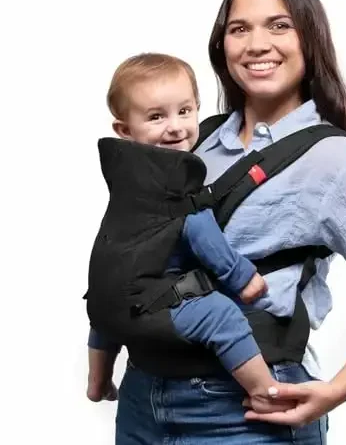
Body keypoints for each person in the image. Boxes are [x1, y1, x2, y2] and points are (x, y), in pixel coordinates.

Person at [108, 0, 346, 444]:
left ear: (309, 37)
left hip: (242, 412)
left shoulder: (334, 160)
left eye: (279, 25)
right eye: (239, 29)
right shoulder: (194, 141)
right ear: (222, 45)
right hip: (143, 396)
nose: (257, 44)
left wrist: (340, 389)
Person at [86, 52, 288, 411]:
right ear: (124, 130)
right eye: (156, 117)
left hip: (104, 303)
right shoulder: (173, 180)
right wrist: (242, 277)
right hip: (147, 304)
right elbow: (202, 233)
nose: (176, 127)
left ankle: (97, 381)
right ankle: (262, 391)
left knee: (107, 312)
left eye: (184, 111)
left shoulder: (126, 172)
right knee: (221, 315)